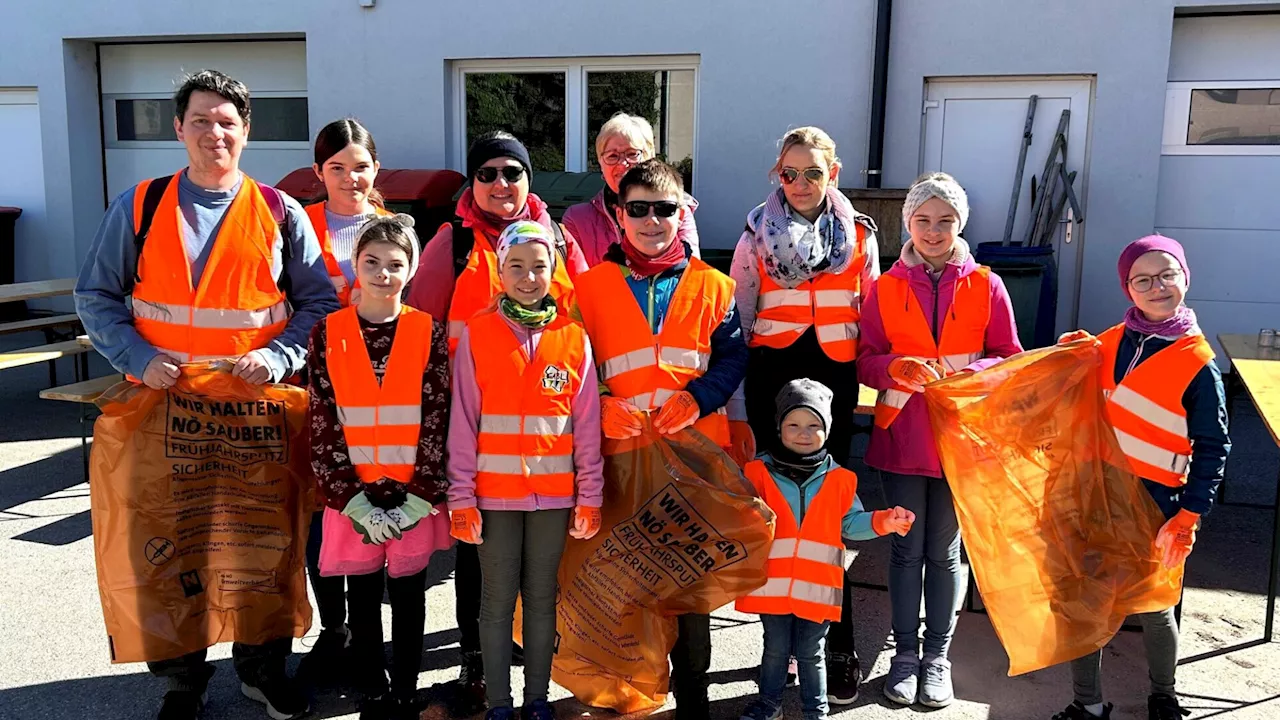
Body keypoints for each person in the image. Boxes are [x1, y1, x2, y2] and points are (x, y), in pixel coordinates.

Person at [74, 69, 338, 720]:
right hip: (165, 409)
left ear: (246, 132)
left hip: (254, 415)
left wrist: (278, 356)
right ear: (178, 128)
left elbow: (318, 305)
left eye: (227, 121)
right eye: (200, 120)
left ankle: (261, 669)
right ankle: (181, 682)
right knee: (174, 543)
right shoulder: (138, 206)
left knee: (259, 542)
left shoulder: (280, 213)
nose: (213, 132)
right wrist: (137, 357)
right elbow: (96, 296)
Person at [402, 130, 588, 714]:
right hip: (476, 432)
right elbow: (421, 331)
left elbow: (579, 325)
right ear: (471, 182)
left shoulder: (559, 241)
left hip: (547, 441)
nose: (501, 183)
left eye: (513, 171)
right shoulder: (450, 243)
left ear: (530, 179)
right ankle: (477, 666)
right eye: (488, 173)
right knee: (478, 566)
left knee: (537, 583)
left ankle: (528, 675)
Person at [571, 159, 748, 720]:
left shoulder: (716, 287)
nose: (652, 221)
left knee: (691, 587)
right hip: (619, 460)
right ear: (619, 215)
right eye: (639, 209)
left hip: (695, 462)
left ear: (683, 213)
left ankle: (693, 696)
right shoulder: (589, 288)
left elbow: (733, 357)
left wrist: (700, 397)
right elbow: (572, 364)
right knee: (625, 580)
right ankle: (626, 692)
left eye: (664, 209)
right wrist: (598, 405)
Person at [856, 172, 1022, 709]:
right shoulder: (884, 287)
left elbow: (1009, 354)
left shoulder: (987, 284)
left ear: (960, 225)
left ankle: (937, 658)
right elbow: (865, 359)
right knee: (905, 552)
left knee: (946, 553)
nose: (933, 230)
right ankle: (904, 657)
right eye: (923, 220)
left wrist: (973, 371)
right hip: (902, 438)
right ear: (907, 223)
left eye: (945, 221)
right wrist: (894, 367)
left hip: (960, 439)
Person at [729, 126, 880, 703]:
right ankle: (779, 647)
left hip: (835, 379)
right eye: (788, 173)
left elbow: (872, 316)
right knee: (777, 514)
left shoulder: (860, 238)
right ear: (777, 174)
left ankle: (835, 645)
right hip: (772, 376)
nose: (799, 183)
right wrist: (741, 404)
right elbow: (741, 322)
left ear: (833, 174)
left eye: (812, 172)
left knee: (831, 514)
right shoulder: (753, 237)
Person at [1050, 235, 1230, 720]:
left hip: (1158, 508)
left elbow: (1214, 448)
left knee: (1154, 608)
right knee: (1088, 604)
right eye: (1142, 279)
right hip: (1097, 499)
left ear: (1185, 279)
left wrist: (1189, 515)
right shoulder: (1107, 343)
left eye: (1167, 275)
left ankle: (1164, 697)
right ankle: (1087, 703)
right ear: (1127, 289)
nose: (1157, 287)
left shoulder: (1198, 365)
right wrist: (1070, 357)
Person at [447, 221, 605, 720]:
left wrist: (591, 494)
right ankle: (499, 703)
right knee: (495, 602)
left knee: (541, 599)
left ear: (554, 270)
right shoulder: (478, 332)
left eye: (540, 266)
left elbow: (586, 426)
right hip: (493, 500)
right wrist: (461, 497)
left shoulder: (573, 338)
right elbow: (463, 420)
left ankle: (536, 700)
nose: (529, 276)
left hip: (554, 501)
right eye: (516, 265)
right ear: (500, 271)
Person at [307, 214, 452, 719]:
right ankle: (371, 683)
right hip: (354, 499)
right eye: (372, 262)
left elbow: (437, 415)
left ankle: (407, 686)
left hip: (412, 498)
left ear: (411, 270)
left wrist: (422, 494)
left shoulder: (426, 331)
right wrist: (346, 496)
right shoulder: (328, 332)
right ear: (356, 264)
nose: (383, 273)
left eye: (395, 264)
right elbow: (323, 417)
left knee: (409, 594)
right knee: (363, 595)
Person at [736, 378, 914, 720]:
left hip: (818, 587)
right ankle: (769, 704)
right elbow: (739, 518)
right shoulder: (756, 473)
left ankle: (815, 711)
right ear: (778, 427)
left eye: (814, 425)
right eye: (794, 424)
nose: (803, 433)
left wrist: (884, 522)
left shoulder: (841, 480)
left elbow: (851, 524)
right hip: (770, 583)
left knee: (811, 651)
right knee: (774, 650)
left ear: (828, 429)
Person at [297, 117, 392, 686]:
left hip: (379, 397)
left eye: (360, 166)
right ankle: (334, 631)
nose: (350, 177)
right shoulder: (297, 224)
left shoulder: (393, 229)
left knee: (373, 509)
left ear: (375, 169)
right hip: (312, 393)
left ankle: (367, 636)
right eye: (337, 168)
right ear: (319, 172)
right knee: (320, 515)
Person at [561, 112, 700, 267]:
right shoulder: (577, 219)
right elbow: (574, 283)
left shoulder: (672, 210)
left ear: (650, 158)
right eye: (612, 156)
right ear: (601, 163)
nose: (622, 164)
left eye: (632, 154)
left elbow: (690, 273)